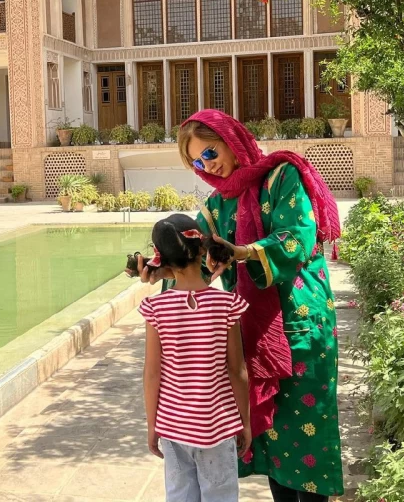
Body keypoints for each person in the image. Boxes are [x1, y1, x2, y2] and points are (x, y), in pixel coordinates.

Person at [133, 110, 344, 502]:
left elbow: (299, 236)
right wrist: (158, 270)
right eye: (196, 161)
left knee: (307, 438)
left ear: (232, 139)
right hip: (256, 332)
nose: (206, 165)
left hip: (300, 322)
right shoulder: (216, 204)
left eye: (210, 152)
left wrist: (244, 252)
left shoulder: (281, 177)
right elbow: (195, 253)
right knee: (273, 438)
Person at [138, 214, 252, 502]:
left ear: (160, 259)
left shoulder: (156, 308)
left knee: (181, 496)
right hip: (219, 424)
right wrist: (245, 422)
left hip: (173, 425)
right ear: (203, 250)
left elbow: (152, 374)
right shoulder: (227, 305)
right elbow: (237, 371)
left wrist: (153, 425)